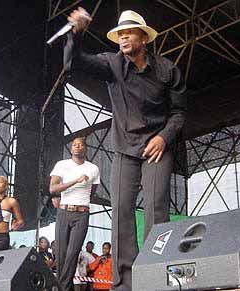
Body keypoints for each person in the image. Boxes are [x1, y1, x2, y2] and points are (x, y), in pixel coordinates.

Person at [66, 8, 187, 291]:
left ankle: (156, 277)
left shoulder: (168, 70)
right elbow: (74, 62)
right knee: (121, 210)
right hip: (124, 149)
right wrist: (76, 33)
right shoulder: (111, 64)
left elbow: (180, 113)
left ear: (144, 38)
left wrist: (165, 138)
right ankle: (124, 284)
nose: (123, 37)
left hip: (157, 146)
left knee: (156, 207)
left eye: (129, 32)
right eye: (120, 33)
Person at [49, 136, 100, 291]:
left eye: (81, 145)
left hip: (82, 214)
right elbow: (53, 188)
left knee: (73, 254)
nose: (78, 146)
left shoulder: (93, 168)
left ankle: (62, 288)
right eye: (75, 145)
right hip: (64, 212)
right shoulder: (62, 165)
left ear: (85, 148)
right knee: (61, 254)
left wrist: (80, 201)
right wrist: (76, 181)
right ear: (71, 149)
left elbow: (92, 192)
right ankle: (66, 288)